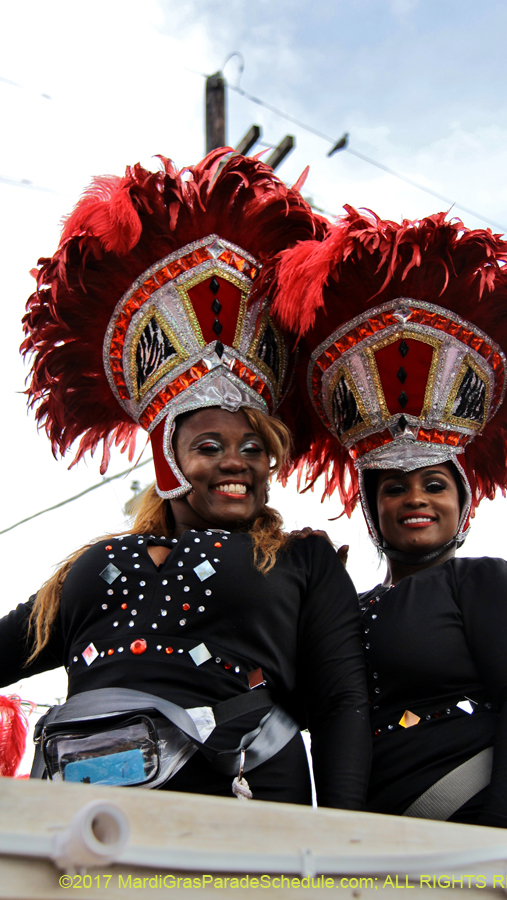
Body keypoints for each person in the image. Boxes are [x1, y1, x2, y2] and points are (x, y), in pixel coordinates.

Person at [0, 151, 371, 808]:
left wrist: (346, 846)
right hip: (86, 826)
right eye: (211, 446)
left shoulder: (304, 559)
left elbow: (343, 704)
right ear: (170, 460)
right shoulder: (90, 564)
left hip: (245, 812)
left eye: (254, 448)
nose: (237, 461)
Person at [265, 208, 507, 834]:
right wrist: (304, 592)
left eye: (435, 484)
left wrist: (501, 840)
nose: (415, 499)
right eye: (393, 488)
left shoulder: (485, 581)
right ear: (372, 508)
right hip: (394, 845)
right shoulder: (350, 607)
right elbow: (307, 706)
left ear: (462, 501)